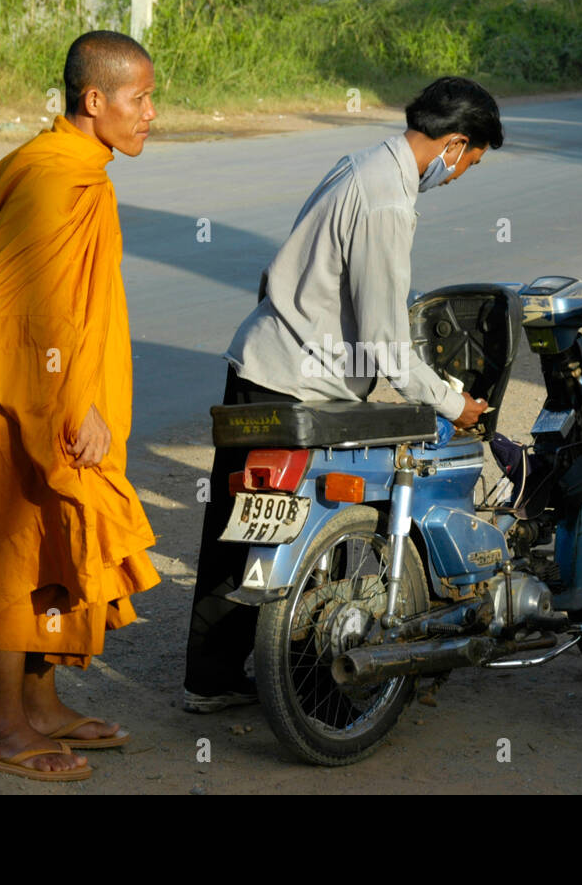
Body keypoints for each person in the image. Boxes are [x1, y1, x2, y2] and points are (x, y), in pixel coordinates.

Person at [182, 77, 500, 712]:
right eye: (470, 162)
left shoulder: (358, 165)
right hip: (307, 393)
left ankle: (209, 679)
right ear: (455, 143)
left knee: (235, 532)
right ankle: (314, 682)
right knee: (314, 523)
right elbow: (385, 345)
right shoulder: (388, 203)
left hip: (258, 370)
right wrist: (450, 402)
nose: (461, 175)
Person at [0, 30, 162, 780]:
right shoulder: (58, 177)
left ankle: (43, 708)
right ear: (96, 100)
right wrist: (71, 404)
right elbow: (34, 311)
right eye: (141, 98)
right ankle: (1, 730)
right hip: (12, 384)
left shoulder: (77, 167)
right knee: (10, 549)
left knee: (56, 537)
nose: (152, 114)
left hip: (46, 380)